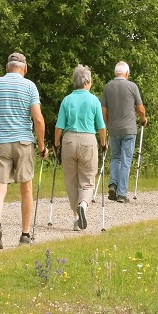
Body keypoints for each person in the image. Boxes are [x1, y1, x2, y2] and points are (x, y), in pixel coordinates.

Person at [0, 52, 47, 248]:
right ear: (25, 68)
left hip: (1, 141)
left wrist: (1, 128)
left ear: (7, 67)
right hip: (24, 142)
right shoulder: (30, 86)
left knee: (0, 185)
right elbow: (38, 119)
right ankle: (25, 234)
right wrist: (42, 145)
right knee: (26, 188)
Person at [55, 65, 107, 230]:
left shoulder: (67, 100)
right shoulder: (93, 100)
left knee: (71, 180)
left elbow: (59, 127)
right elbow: (101, 127)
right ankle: (83, 205)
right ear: (87, 81)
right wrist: (103, 143)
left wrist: (56, 143)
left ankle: (77, 219)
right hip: (88, 140)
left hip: (69, 141)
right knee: (87, 179)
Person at [101, 60, 147, 203]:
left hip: (114, 129)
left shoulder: (108, 87)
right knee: (126, 160)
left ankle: (113, 184)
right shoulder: (132, 86)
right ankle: (121, 194)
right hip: (129, 129)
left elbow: (104, 111)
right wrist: (143, 119)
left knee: (115, 158)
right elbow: (140, 108)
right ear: (127, 73)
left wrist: (108, 124)